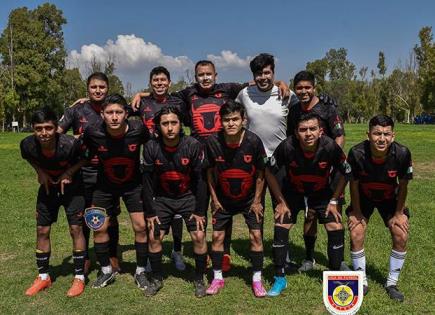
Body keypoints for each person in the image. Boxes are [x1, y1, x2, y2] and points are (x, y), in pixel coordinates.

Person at [132, 60, 288, 271]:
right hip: (197, 156)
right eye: (200, 75)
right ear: (195, 77)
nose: (205, 78)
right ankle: (206, 252)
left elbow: (256, 82)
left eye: (208, 74)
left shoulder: (228, 89)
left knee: (227, 200)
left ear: (215, 75)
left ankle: (224, 252)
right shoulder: (188, 93)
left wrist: (278, 82)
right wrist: (141, 95)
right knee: (202, 203)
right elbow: (163, 94)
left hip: (223, 153)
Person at [266, 113, 350, 297]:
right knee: (281, 222)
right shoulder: (287, 146)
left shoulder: (330, 147)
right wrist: (280, 201)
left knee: (335, 224)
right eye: (303, 130)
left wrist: (334, 200)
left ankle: (335, 276)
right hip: (292, 192)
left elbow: (346, 172)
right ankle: (280, 278)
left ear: (320, 131)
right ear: (296, 132)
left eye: (312, 129)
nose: (308, 134)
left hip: (322, 193)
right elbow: (269, 172)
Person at [81, 94, 150, 289]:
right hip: (104, 186)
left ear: (126, 114)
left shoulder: (138, 129)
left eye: (118, 112)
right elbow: (81, 153)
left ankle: (141, 271)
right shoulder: (93, 132)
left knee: (140, 226)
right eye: (109, 112)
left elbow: (153, 147)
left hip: (133, 185)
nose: (114, 117)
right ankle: (105, 271)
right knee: (99, 227)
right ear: (102, 114)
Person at [58, 72, 121, 275]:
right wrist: (75, 138)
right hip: (81, 171)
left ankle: (112, 255)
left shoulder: (113, 108)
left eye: (102, 87)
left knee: (110, 215)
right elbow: (56, 134)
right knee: (82, 214)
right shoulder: (76, 110)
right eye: (94, 87)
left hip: (107, 171)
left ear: (108, 89)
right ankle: (84, 257)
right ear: (87, 88)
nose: (98, 90)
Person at [142, 105, 208, 297]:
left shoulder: (193, 145)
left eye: (173, 123)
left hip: (188, 198)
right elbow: (146, 182)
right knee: (154, 238)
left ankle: (199, 278)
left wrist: (200, 211)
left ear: (180, 124)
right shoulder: (151, 147)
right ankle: (156, 278)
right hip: (163, 200)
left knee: (199, 236)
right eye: (165, 124)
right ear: (158, 126)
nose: (169, 128)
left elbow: (201, 181)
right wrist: (150, 212)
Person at [21, 108, 86, 297]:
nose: (43, 133)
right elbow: (28, 158)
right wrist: (39, 171)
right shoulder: (27, 145)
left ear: (56, 128)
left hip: (73, 188)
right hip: (48, 187)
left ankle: (79, 277)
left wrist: (69, 173)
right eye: (38, 128)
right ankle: (43, 277)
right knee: (42, 230)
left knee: (76, 229)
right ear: (33, 129)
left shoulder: (70, 144)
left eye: (48, 128)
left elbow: (85, 159)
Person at [346, 115, 412, 302]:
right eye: (376, 133)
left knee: (401, 233)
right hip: (364, 198)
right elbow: (353, 185)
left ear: (393, 135)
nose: (381, 138)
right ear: (368, 134)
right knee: (356, 231)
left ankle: (392, 283)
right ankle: (362, 281)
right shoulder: (357, 153)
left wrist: (399, 213)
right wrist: (356, 212)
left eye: (386, 134)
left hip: (390, 199)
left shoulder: (402, 153)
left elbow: (404, 185)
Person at [205, 100, 268, 297]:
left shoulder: (254, 141)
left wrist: (257, 200)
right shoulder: (212, 142)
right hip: (223, 199)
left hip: (250, 199)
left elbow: (261, 172)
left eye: (235, 119)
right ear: (220, 121)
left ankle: (257, 279)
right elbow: (209, 172)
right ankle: (217, 277)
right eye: (226, 120)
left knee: (256, 236)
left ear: (243, 120)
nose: (231, 123)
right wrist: (214, 199)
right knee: (217, 236)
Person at [286, 70, 346, 272]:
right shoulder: (294, 110)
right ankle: (309, 258)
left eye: (307, 87)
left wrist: (333, 162)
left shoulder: (328, 107)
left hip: (326, 171)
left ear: (314, 87)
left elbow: (339, 135)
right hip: (304, 171)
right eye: (299, 88)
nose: (303, 91)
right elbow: (291, 139)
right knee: (309, 215)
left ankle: (338, 261)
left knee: (334, 215)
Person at [131, 66, 187, 270]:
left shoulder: (178, 102)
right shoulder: (142, 103)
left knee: (178, 208)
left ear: (170, 83)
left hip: (175, 161)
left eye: (163, 80)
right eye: (155, 80)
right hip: (150, 162)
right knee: (151, 206)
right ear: (150, 83)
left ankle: (177, 251)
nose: (160, 83)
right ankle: (150, 254)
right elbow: (115, 108)